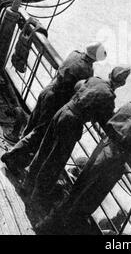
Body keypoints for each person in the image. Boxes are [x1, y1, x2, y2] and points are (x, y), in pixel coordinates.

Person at [37, 93, 131, 234]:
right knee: (89, 201)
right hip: (112, 164)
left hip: (102, 148)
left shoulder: (129, 106)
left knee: (76, 190)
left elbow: (111, 122)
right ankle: (58, 229)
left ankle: (45, 225)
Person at [23, 67, 131, 207]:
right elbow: (108, 122)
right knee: (55, 160)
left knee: (44, 149)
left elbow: (77, 86)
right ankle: (38, 197)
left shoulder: (94, 79)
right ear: (122, 84)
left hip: (63, 111)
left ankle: (27, 183)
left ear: (109, 74)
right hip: (72, 123)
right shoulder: (109, 97)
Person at [1, 42, 107, 175]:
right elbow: (79, 90)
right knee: (40, 132)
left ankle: (17, 148)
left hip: (48, 90)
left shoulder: (74, 54)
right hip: (56, 100)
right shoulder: (87, 70)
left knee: (33, 122)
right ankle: (12, 157)